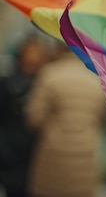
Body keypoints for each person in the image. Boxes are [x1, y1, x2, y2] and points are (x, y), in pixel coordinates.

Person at [24, 43, 106, 197]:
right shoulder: (97, 78)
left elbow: (34, 118)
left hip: (53, 157)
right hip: (85, 153)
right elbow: (102, 117)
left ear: (59, 50)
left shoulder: (49, 73)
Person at [0, 36, 49, 197]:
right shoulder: (7, 84)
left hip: (39, 155)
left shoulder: (46, 84)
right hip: (11, 157)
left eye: (37, 56)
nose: (32, 60)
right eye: (29, 55)